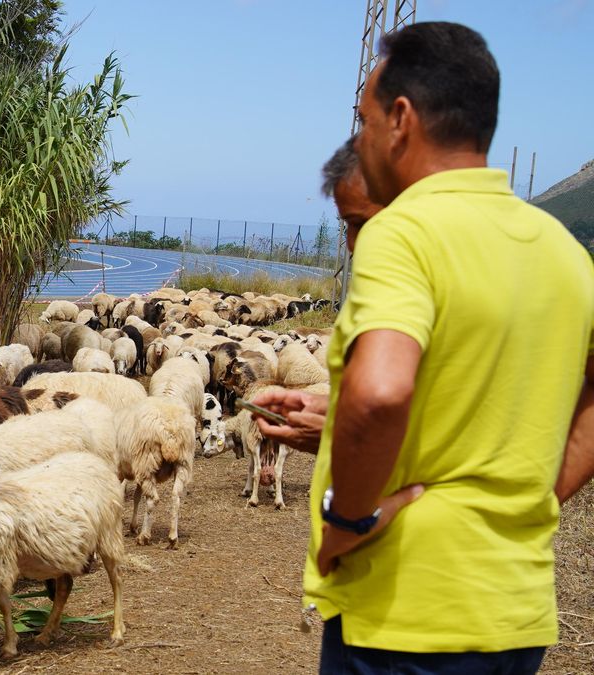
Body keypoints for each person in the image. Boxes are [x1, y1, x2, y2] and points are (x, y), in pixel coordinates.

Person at [254, 22, 594, 673]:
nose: (360, 138)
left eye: (364, 120)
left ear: (400, 119)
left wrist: (344, 523)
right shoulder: (563, 252)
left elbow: (383, 392)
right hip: (516, 616)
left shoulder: (403, 231)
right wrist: (542, 492)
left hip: (408, 616)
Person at [253, 138, 382, 455]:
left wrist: (337, 433)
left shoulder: (401, 274)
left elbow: (387, 404)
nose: (350, 243)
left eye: (357, 223)